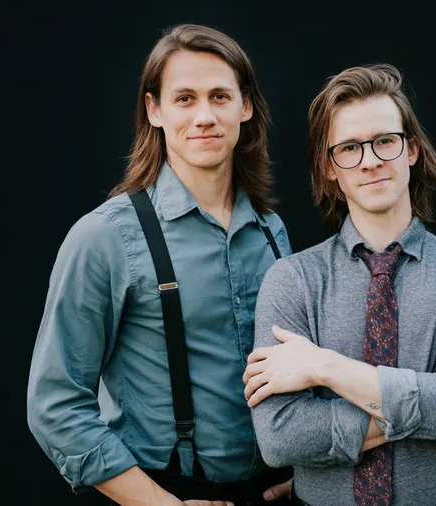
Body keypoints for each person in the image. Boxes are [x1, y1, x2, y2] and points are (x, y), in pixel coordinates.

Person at [27, 24, 295, 505]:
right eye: (185, 99)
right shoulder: (105, 237)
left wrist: (308, 473)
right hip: (168, 492)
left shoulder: (271, 232)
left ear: (246, 106)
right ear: (155, 110)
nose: (205, 116)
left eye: (219, 96)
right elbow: (54, 404)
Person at [240, 63, 436, 506]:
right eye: (349, 148)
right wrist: (423, 411)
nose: (370, 161)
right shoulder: (292, 280)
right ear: (329, 167)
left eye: (385, 141)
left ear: (412, 150)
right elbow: (279, 437)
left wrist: (323, 367)